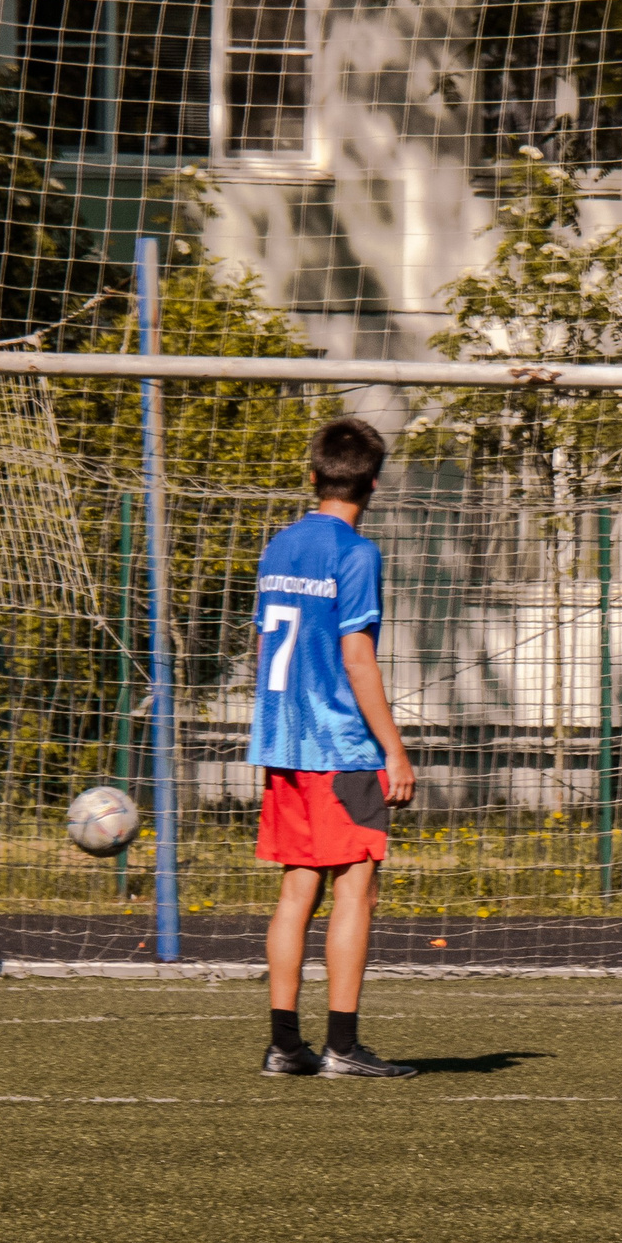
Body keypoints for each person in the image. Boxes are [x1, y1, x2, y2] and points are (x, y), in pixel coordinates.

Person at [247, 416, 419, 1078]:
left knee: (297, 889)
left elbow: (263, 644)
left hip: (283, 743)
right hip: (339, 746)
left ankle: (285, 1045)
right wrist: (394, 750)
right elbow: (357, 658)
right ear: (372, 483)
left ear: (313, 475)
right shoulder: (357, 553)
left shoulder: (279, 545)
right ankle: (342, 1048)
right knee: (357, 890)